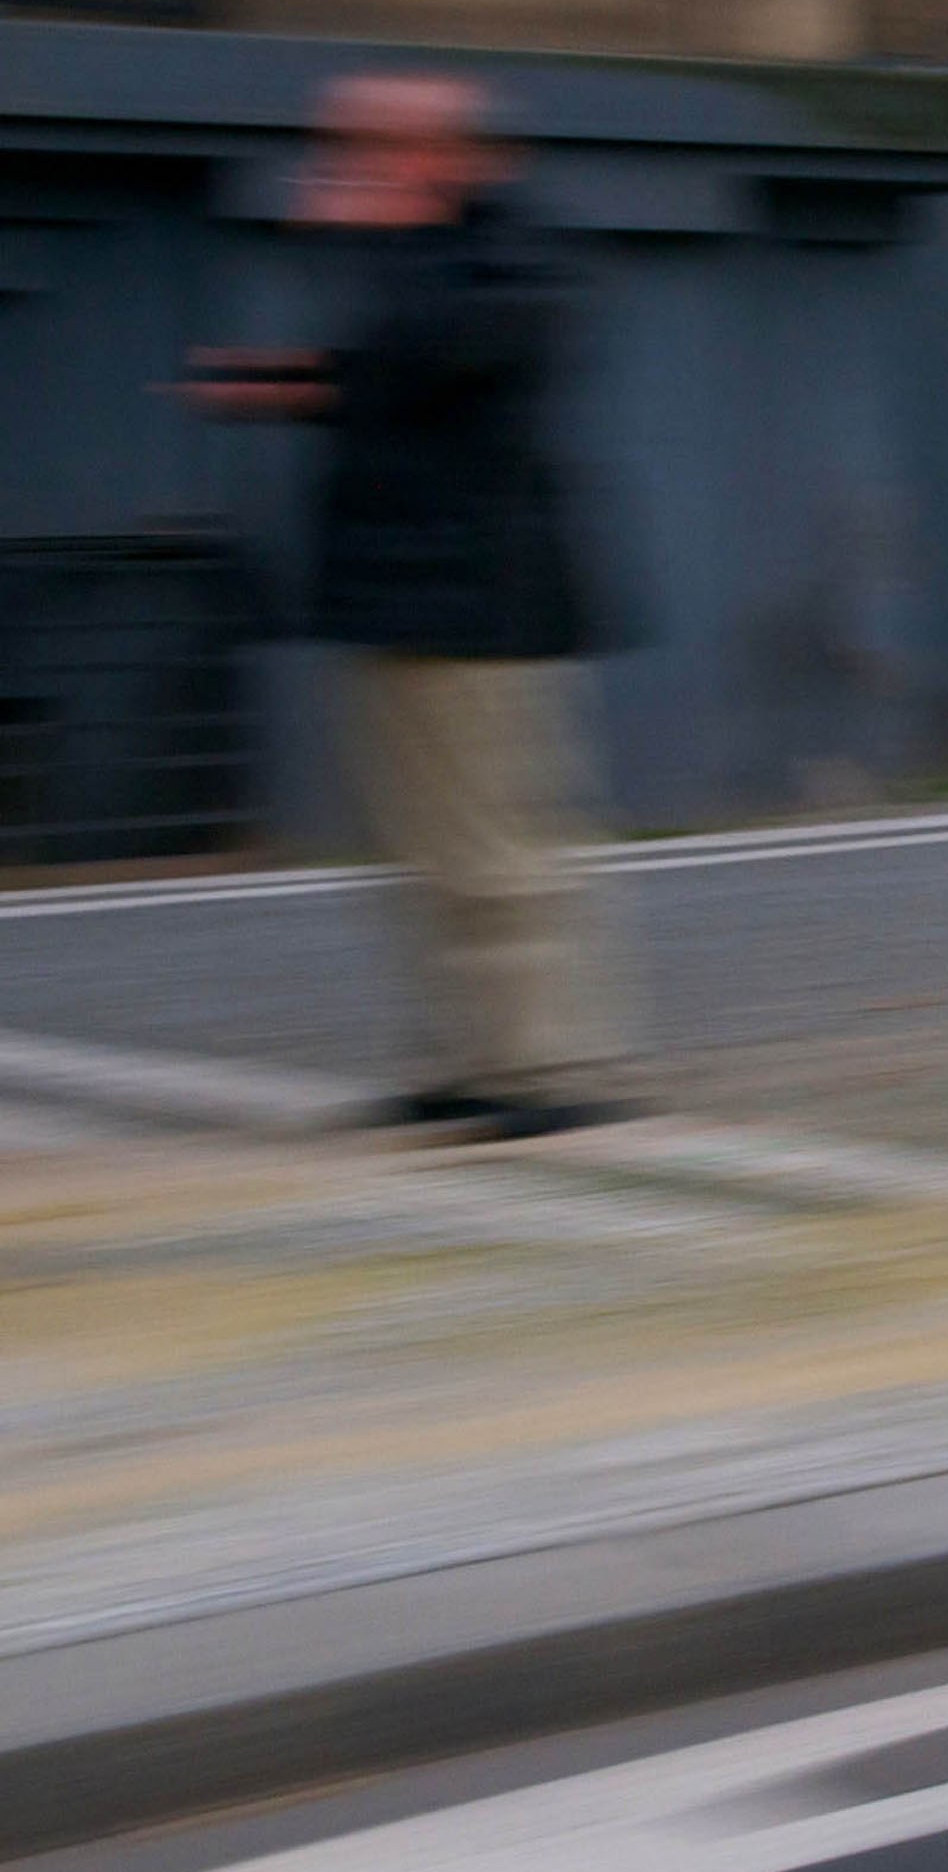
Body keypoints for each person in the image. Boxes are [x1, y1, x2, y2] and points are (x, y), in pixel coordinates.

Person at [180, 74, 633, 1137]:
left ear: (442, 154)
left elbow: (434, 352)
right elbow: (370, 374)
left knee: (495, 849)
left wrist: (372, 242)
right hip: (400, 595)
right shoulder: (434, 256)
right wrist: (282, 382)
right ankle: (466, 1062)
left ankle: (544, 1069)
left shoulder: (513, 255)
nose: (344, 167)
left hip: (479, 607)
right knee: (423, 851)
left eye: (369, 146)